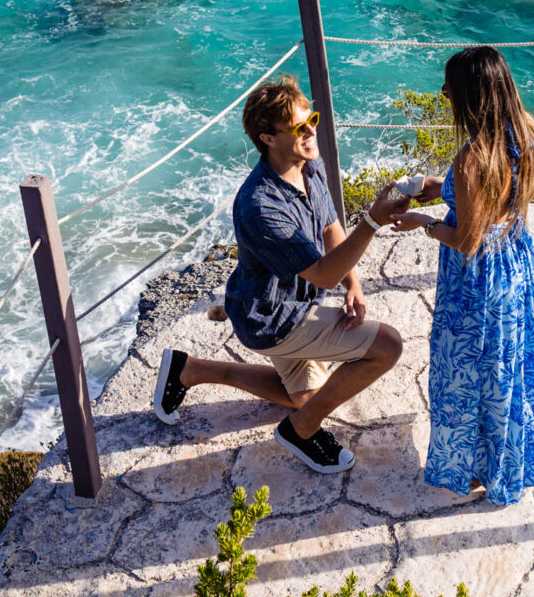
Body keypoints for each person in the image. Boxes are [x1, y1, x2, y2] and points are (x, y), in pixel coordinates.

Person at [152, 74, 410, 474]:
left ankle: (190, 370)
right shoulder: (261, 207)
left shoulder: (308, 164)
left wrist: (354, 284)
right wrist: (372, 223)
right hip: (272, 318)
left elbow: (328, 227)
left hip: (295, 305)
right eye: (299, 128)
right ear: (268, 138)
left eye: (313, 121)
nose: (311, 133)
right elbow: (323, 274)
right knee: (388, 345)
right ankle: (301, 432)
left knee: (309, 395)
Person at [391, 46, 534, 505]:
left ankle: (472, 469)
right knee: (503, 372)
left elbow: (467, 240)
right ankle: (505, 462)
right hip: (513, 263)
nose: (443, 94)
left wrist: (422, 223)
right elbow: (500, 202)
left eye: (448, 88)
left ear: (470, 95)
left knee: (463, 375)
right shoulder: (526, 132)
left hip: (475, 281)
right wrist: (440, 190)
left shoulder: (472, 158)